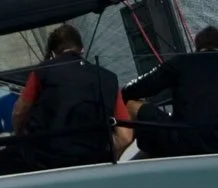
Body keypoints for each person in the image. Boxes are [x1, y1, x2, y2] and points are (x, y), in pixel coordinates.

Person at [124, 25, 218, 156]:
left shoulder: (181, 62)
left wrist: (122, 93)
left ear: (197, 46)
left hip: (182, 144)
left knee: (131, 105)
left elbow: (138, 88)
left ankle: (110, 163)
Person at [12, 24, 130, 169]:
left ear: (53, 55)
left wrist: (20, 137)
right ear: (82, 50)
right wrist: (104, 157)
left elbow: (20, 111)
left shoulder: (42, 71)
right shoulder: (109, 78)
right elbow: (125, 136)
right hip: (93, 162)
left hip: (46, 161)